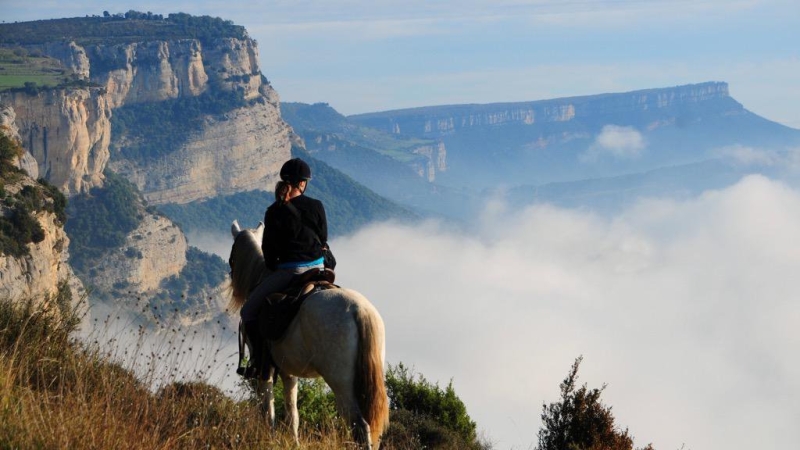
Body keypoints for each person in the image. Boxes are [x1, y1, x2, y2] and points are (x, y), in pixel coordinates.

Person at [239, 157, 329, 378]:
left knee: (248, 311)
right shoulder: (317, 205)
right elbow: (324, 237)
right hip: (319, 268)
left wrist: (275, 265)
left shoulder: (274, 211)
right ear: (302, 183)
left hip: (291, 272)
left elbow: (268, 252)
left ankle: (259, 363)